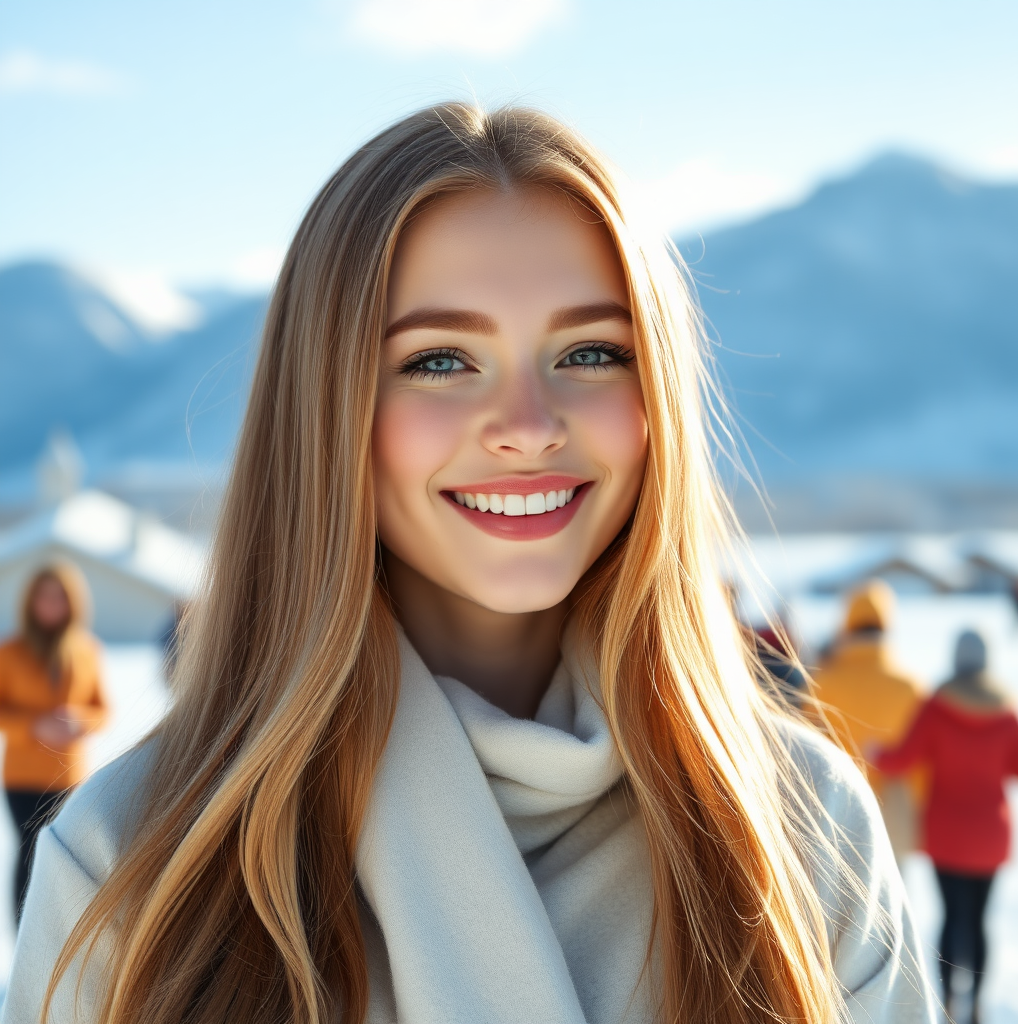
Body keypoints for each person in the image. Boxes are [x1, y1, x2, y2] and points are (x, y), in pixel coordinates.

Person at [4, 105, 934, 1024]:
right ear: (327, 411)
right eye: (442, 360)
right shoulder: (134, 867)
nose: (528, 427)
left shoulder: (805, 831)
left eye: (591, 352)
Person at [873, 630, 1018, 1024]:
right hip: (991, 837)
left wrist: (874, 752)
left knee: (952, 916)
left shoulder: (937, 708)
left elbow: (902, 759)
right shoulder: (1006, 712)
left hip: (947, 834)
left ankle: (948, 1004)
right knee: (979, 919)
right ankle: (976, 1005)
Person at [0, 563, 109, 922]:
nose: (51, 603)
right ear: (31, 601)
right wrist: (35, 726)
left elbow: (103, 710)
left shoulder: (86, 650)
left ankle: (59, 939)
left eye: (59, 595)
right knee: (31, 852)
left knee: (67, 862)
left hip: (69, 776)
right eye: (44, 595)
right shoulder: (11, 652)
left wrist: (81, 721)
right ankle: (24, 945)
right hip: (23, 777)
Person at [812, 579, 926, 862]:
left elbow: (808, 747)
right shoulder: (910, 687)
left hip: (837, 808)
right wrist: (919, 807)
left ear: (847, 623)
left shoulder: (823, 682)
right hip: (894, 809)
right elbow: (923, 758)